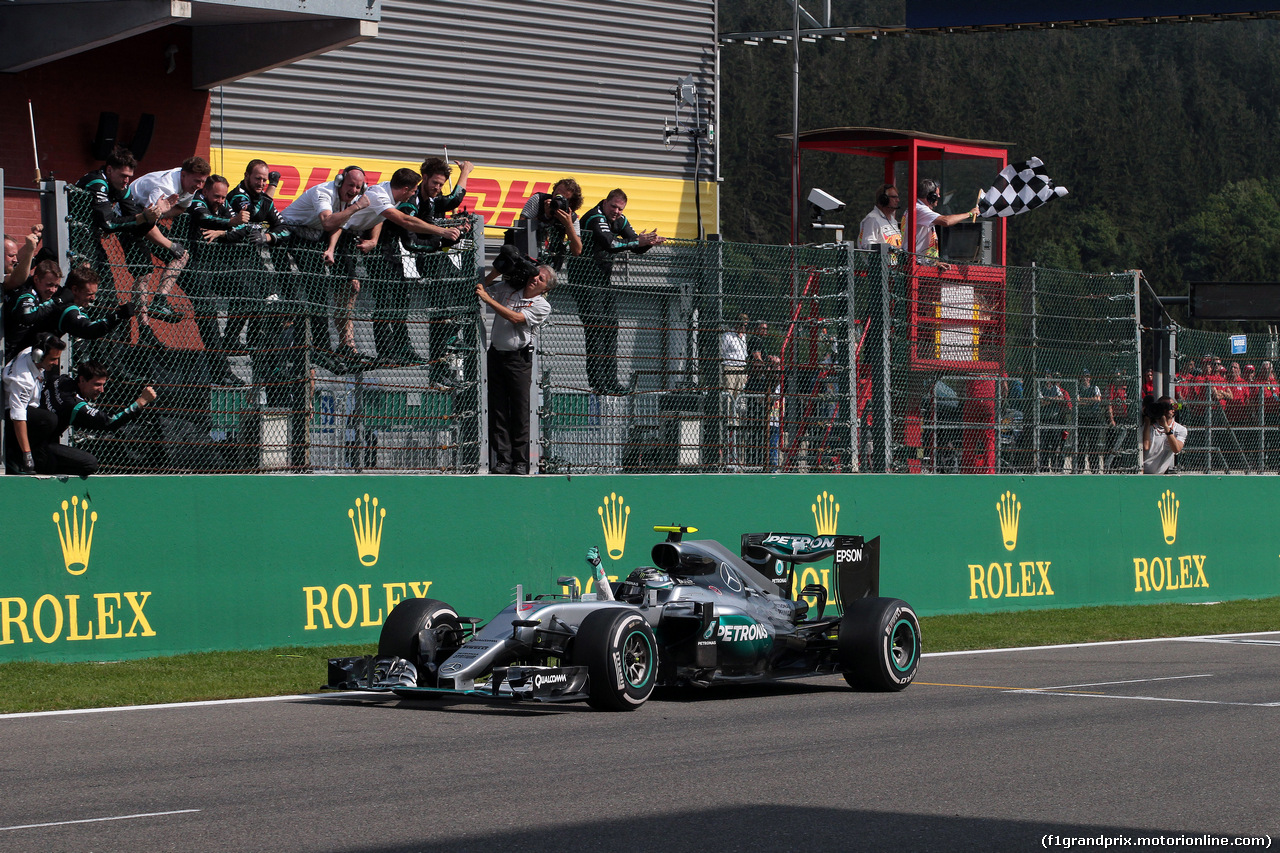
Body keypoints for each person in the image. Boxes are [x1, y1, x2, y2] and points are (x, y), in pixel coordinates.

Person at [344, 168, 461, 366]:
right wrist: (442, 231)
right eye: (413, 190)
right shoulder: (379, 194)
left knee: (401, 296)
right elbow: (406, 221)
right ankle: (385, 351)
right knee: (384, 299)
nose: (415, 194)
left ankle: (402, 347)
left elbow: (380, 217)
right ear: (406, 188)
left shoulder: (391, 195)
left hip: (387, 247)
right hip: (361, 245)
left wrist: (374, 237)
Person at [573, 188, 666, 394]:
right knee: (596, 328)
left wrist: (648, 243)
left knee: (611, 326)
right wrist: (636, 242)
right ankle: (599, 382)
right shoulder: (596, 217)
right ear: (605, 202)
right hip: (585, 280)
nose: (616, 211)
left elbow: (635, 245)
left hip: (603, 280)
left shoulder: (620, 220)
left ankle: (612, 380)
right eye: (613, 206)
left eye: (620, 208)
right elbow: (610, 243)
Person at [74, 146, 183, 320]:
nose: (126, 181)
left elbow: (136, 223)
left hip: (92, 239)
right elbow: (108, 223)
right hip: (75, 238)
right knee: (86, 289)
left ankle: (102, 338)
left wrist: (155, 214)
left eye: (129, 177)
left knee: (107, 292)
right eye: (123, 175)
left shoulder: (122, 189)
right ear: (109, 170)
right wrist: (143, 217)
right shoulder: (97, 182)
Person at [281, 165, 374, 367]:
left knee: (320, 291)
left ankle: (325, 348)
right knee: (301, 292)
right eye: (351, 185)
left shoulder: (348, 201)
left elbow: (338, 225)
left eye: (359, 187)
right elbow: (327, 221)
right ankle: (309, 348)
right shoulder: (324, 192)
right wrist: (356, 206)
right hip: (289, 232)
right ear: (340, 182)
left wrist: (331, 248)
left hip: (312, 235)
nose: (355, 191)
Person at [476, 246, 556, 475]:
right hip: (496, 354)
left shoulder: (542, 305)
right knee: (498, 408)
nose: (535, 279)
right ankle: (503, 459)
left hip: (519, 359)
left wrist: (488, 301)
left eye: (541, 279)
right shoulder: (511, 288)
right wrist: (498, 269)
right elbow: (485, 287)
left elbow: (516, 318)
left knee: (520, 411)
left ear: (545, 287)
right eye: (535, 274)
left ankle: (521, 461)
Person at [33, 360, 157, 478]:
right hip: (38, 445)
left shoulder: (59, 380)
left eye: (103, 385)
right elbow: (109, 421)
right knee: (89, 463)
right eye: (97, 384)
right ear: (82, 380)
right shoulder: (74, 405)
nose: (102, 390)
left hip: (35, 435)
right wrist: (141, 401)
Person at [224, 159, 292, 351]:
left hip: (252, 258)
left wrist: (269, 237)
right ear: (246, 176)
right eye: (258, 179)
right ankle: (230, 339)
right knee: (250, 297)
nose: (262, 183)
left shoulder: (263, 199)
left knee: (273, 297)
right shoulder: (237, 196)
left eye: (265, 180)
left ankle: (256, 343)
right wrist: (272, 189)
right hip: (230, 258)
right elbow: (255, 214)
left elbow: (285, 228)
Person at [3, 332, 65, 473]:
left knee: (50, 464)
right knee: (49, 419)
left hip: (29, 411)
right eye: (53, 359)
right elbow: (18, 417)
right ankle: (14, 455)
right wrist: (27, 455)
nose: (56, 363)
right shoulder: (22, 380)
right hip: (12, 421)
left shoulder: (29, 354)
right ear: (39, 356)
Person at [517, 178, 583, 271]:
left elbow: (577, 251)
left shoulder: (571, 217)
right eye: (557, 195)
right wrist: (545, 217)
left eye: (563, 199)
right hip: (526, 256)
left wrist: (568, 225)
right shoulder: (539, 200)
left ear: (570, 202)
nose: (557, 201)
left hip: (550, 265)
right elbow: (520, 228)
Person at [911, 179, 978, 262]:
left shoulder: (917, 208)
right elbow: (946, 221)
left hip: (920, 262)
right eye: (937, 195)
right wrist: (969, 214)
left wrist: (935, 263)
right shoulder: (920, 209)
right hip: (915, 262)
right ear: (931, 196)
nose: (938, 198)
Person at [720, 314, 749, 463]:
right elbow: (723, 352)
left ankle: (736, 418)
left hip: (741, 368)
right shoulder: (728, 336)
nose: (743, 328)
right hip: (731, 366)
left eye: (745, 325)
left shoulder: (743, 337)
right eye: (742, 325)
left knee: (739, 396)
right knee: (729, 394)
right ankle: (728, 418)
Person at [1142, 395, 1186, 474]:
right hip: (1142, 472)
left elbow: (1176, 449)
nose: (1166, 410)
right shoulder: (1149, 426)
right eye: (1163, 407)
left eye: (1169, 407)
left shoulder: (1180, 429)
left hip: (1159, 474)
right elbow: (1146, 446)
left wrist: (1166, 427)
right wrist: (1147, 422)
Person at [856, 184, 902, 250]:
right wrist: (889, 248)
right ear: (884, 199)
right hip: (881, 260)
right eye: (894, 197)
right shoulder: (872, 219)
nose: (898, 200)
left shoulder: (893, 220)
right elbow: (866, 245)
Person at [1076, 368, 1105, 473]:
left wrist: (1085, 400)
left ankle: (1094, 468)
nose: (1086, 378)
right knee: (1081, 443)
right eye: (1084, 376)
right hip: (1083, 417)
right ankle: (1080, 468)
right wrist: (1091, 400)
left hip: (1093, 417)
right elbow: (1078, 401)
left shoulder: (1095, 387)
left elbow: (1098, 399)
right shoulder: (1078, 388)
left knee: (1093, 443)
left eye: (1087, 376)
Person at [3, 225, 43, 291]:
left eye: (15, 255)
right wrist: (30, 250)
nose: (15, 260)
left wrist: (36, 236)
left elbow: (20, 256)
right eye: (10, 256)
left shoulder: (9, 265)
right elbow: (16, 280)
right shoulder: (4, 276)